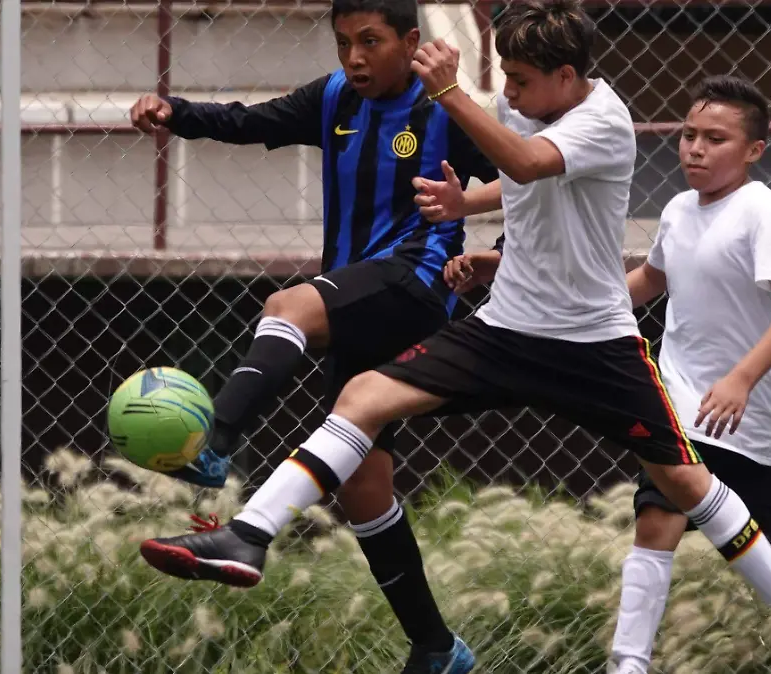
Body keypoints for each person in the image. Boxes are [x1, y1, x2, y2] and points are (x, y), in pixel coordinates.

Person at [137, 2, 771, 672]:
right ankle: (250, 534)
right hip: (506, 329)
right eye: (503, 78)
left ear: (569, 78)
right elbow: (518, 181)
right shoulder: (536, 106)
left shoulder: (604, 121)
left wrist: (453, 93)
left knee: (685, 485)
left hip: (592, 345)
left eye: (519, 80)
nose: (508, 93)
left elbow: (527, 162)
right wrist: (468, 206)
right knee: (363, 395)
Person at [435, 74, 771, 674]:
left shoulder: (763, 213)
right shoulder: (678, 209)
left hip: (750, 412)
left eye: (715, 139)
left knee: (751, 537)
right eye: (689, 134)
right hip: (679, 398)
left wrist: (742, 378)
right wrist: (511, 277)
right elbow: (647, 281)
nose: (694, 148)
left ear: (752, 151)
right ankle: (629, 663)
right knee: (659, 514)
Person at [128, 0, 498, 671]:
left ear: (411, 42)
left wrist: (491, 252)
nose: (354, 57)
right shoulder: (333, 98)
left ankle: (216, 442)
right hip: (360, 296)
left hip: (415, 286)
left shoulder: (445, 110)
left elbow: (521, 177)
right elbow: (247, 123)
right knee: (362, 489)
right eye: (343, 43)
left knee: (289, 305)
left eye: (371, 42)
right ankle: (437, 647)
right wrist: (175, 112)